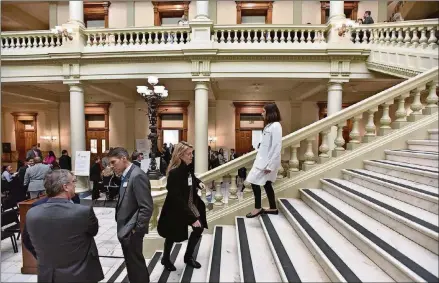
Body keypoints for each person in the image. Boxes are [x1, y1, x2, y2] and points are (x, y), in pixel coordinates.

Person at [23, 169, 104, 283]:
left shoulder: (32, 213)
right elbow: (93, 231)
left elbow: (26, 240)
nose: (75, 185)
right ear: (65, 187)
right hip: (80, 274)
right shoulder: (83, 212)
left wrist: (46, 260)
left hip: (48, 275)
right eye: (73, 182)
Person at [157, 141, 207, 271]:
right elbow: (176, 198)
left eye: (192, 153)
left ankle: (188, 257)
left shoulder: (187, 167)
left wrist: (199, 183)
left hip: (190, 204)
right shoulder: (174, 173)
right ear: (180, 155)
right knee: (171, 235)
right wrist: (191, 218)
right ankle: (166, 259)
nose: (191, 156)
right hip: (177, 209)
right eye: (189, 154)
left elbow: (192, 178)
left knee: (199, 228)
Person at [108, 147, 153, 283]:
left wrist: (136, 230)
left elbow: (146, 207)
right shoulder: (127, 174)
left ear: (123, 159)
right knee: (132, 264)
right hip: (126, 228)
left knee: (136, 264)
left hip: (132, 230)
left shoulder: (137, 175)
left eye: (113, 162)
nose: (111, 166)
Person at [245, 103, 282, 218]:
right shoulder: (268, 126)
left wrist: (270, 165)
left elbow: (276, 146)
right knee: (267, 184)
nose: (262, 113)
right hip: (262, 160)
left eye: (264, 111)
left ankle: (257, 208)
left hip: (267, 163)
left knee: (253, 181)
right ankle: (273, 208)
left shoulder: (276, 126)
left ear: (270, 113)